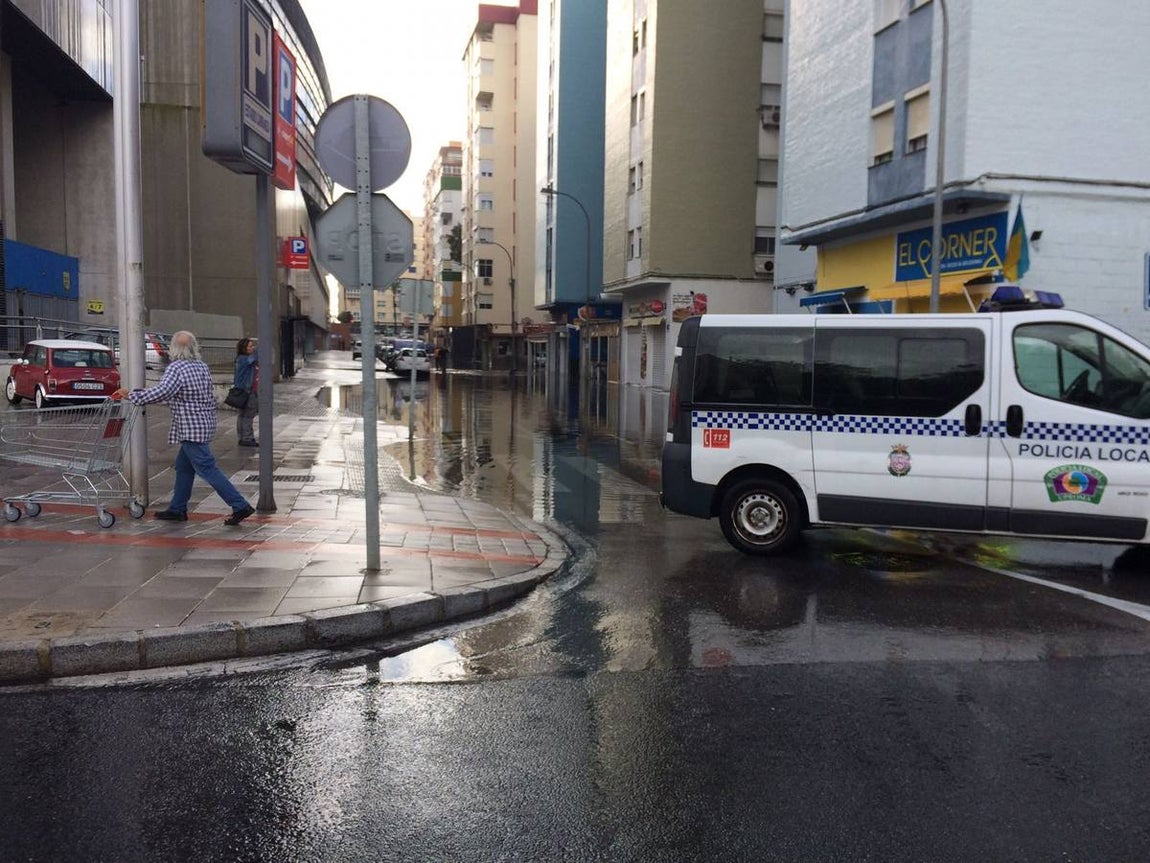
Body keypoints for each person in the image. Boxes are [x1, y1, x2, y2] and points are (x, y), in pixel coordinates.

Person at [114, 330, 255, 526]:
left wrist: (132, 395)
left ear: (174, 348)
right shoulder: (201, 366)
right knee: (183, 467)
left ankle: (240, 505)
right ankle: (177, 509)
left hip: (190, 427)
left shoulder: (176, 368)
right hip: (203, 423)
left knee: (207, 468)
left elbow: (163, 392)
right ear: (193, 347)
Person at [233, 336, 259, 447]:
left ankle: (242, 437)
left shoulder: (240, 359)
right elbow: (254, 358)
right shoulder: (244, 359)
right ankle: (247, 438)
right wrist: (260, 347)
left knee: (242, 415)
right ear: (244, 348)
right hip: (247, 391)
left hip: (243, 390)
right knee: (248, 415)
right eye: (251, 346)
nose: (253, 348)